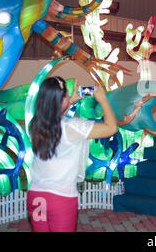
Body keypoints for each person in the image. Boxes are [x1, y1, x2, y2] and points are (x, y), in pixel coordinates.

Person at [27, 76, 117, 232]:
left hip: (36, 196)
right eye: (67, 95)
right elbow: (111, 128)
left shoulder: (35, 124)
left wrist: (70, 102)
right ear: (60, 101)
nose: (69, 96)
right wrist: (103, 100)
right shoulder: (74, 127)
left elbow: (56, 118)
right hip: (60, 199)